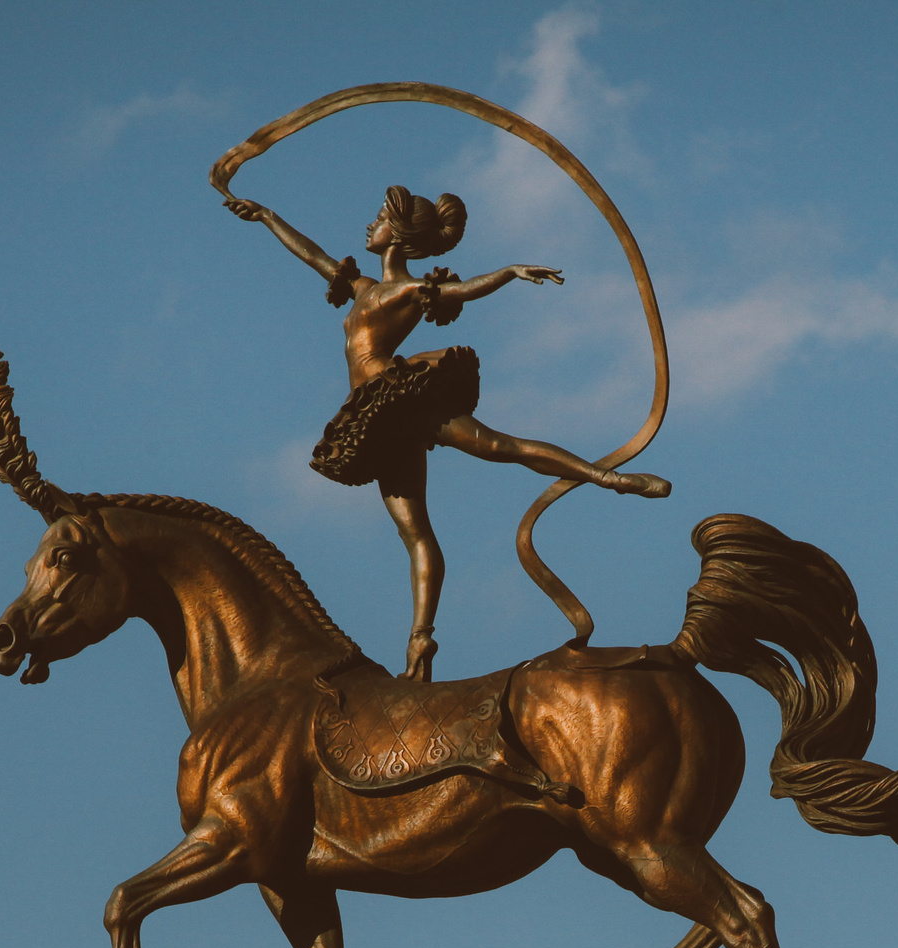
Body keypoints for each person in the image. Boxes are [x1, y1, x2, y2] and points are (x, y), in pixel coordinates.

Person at [225, 184, 669, 680]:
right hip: (374, 422)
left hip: (400, 398)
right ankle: (420, 645)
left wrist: (508, 272)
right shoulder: (364, 287)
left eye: (379, 218)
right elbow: (314, 256)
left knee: (502, 446)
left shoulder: (409, 290)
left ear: (401, 233)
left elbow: (462, 290)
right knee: (415, 534)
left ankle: (608, 478)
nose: (370, 226)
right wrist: (266, 215)